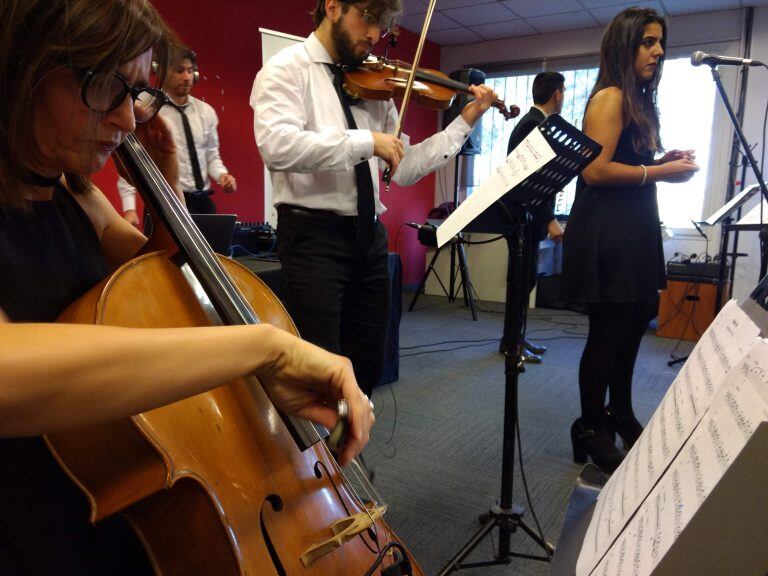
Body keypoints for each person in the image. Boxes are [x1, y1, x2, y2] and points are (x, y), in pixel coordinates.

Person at [0, 1, 374, 574]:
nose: (127, 119)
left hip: (103, 480)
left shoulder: (76, 194)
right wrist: (264, 348)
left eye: (135, 92)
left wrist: (164, 182)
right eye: (107, 86)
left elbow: (154, 276)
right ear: (23, 66)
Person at [251, 0, 498, 397]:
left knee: (367, 363)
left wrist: (463, 123)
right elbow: (278, 146)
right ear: (332, 6)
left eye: (381, 25)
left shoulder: (377, 86)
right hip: (314, 240)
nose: (373, 34)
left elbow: (403, 165)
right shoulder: (285, 69)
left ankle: (348, 453)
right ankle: (317, 458)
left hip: (369, 238)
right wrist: (366, 141)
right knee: (317, 367)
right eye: (367, 17)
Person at [561, 7, 698, 473]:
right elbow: (595, 170)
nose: (658, 51)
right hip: (607, 232)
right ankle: (589, 424)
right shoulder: (610, 96)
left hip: (634, 227)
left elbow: (627, 157)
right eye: (647, 42)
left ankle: (619, 411)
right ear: (625, 46)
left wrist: (664, 158)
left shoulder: (638, 99)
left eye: (660, 43)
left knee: (635, 324)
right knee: (607, 334)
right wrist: (661, 170)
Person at [119, 47, 237, 224]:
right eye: (180, 70)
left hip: (202, 204)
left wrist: (222, 175)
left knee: (210, 251)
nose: (187, 77)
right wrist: (129, 209)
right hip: (165, 202)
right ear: (164, 73)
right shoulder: (148, 111)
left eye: (190, 71)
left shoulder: (207, 112)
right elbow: (134, 161)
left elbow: (211, 155)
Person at [500, 71, 566, 363]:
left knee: (525, 281)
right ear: (557, 95)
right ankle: (511, 343)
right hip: (522, 217)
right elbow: (534, 180)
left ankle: (516, 339)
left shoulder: (534, 123)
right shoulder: (532, 126)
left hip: (528, 218)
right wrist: (549, 217)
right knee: (521, 281)